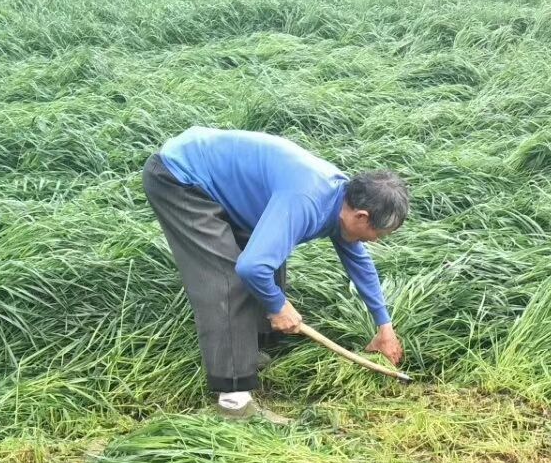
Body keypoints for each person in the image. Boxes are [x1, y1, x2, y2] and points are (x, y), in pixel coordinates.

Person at [142, 127, 408, 423]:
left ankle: (248, 351)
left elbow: (360, 264)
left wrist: (385, 327)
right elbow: (251, 267)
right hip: (181, 177)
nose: (376, 241)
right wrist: (277, 306)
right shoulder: (308, 200)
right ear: (361, 217)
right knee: (229, 279)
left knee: (269, 255)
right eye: (378, 233)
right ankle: (234, 401)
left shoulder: (342, 201)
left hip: (221, 179)